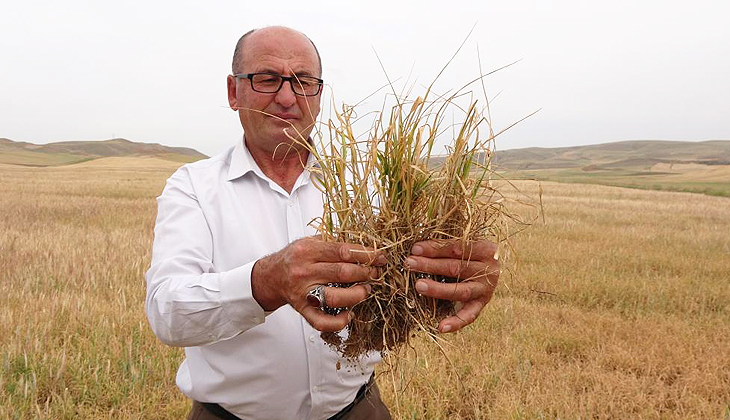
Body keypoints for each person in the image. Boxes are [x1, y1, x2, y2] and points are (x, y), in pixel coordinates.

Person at [145, 26, 500, 420]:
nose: (286, 97)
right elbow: (168, 312)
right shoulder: (194, 187)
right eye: (267, 79)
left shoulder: (368, 185)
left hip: (359, 410)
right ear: (234, 92)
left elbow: (410, 281)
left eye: (303, 82)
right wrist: (266, 281)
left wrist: (455, 278)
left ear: (319, 94)